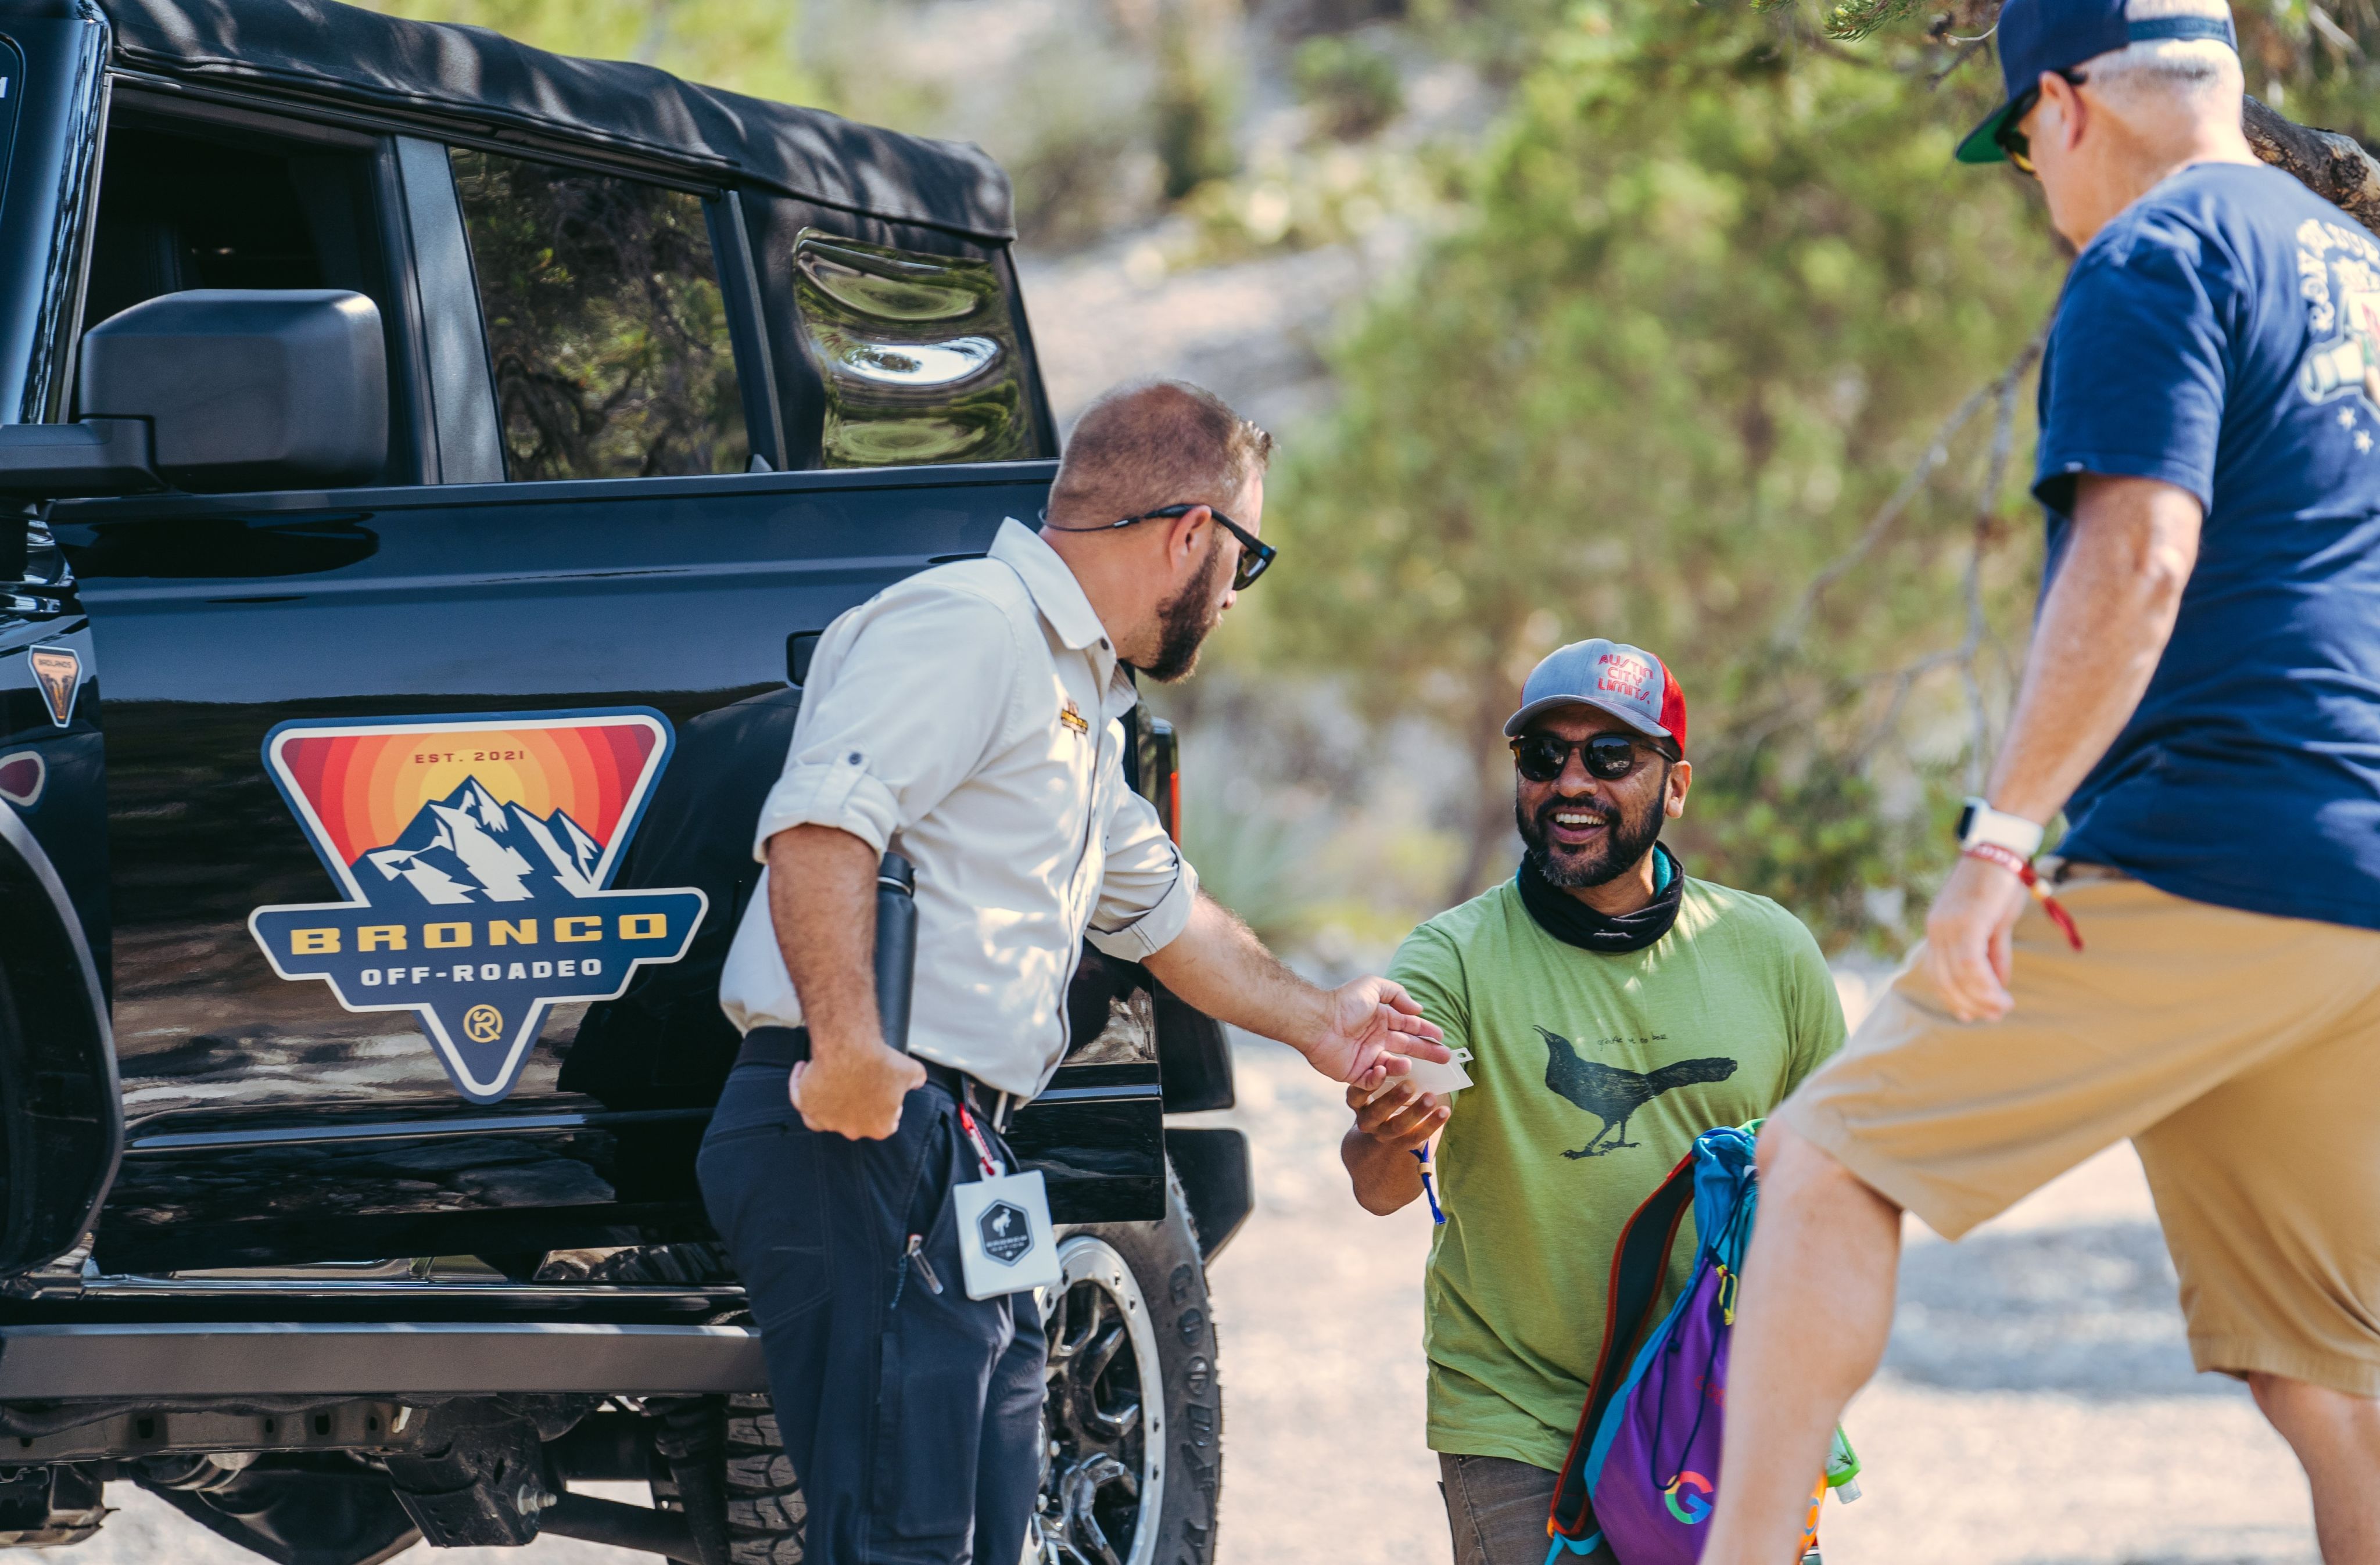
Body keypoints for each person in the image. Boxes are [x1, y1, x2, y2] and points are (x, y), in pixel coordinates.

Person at [1700, 3, 2380, 1561]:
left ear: (2066, 107)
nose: (2030, 181)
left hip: (2217, 853)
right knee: (2327, 1370)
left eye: (2016, 145)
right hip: (2357, 887)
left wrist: (1996, 847)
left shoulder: (2151, 256)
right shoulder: (2352, 263)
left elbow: (2139, 555)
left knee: (1819, 1157)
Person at [694, 378, 1446, 1565]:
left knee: (992, 1520)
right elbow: (821, 826)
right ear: (1191, 533)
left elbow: (1164, 910)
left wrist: (1325, 1024)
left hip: (974, 1149)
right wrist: (845, 1053)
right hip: (868, 1129)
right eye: (1242, 563)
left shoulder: (1075, 698)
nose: (1231, 600)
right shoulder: (973, 625)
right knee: (907, 1535)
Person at [1340, 638, 1846, 1565]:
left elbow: (1845, 1182)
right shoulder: (1451, 959)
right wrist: (1389, 1127)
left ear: (1676, 783)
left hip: (1714, 1407)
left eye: (1610, 757)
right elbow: (1378, 1183)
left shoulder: (1770, 952)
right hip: (1522, 1415)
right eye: (1545, 757)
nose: (1572, 782)